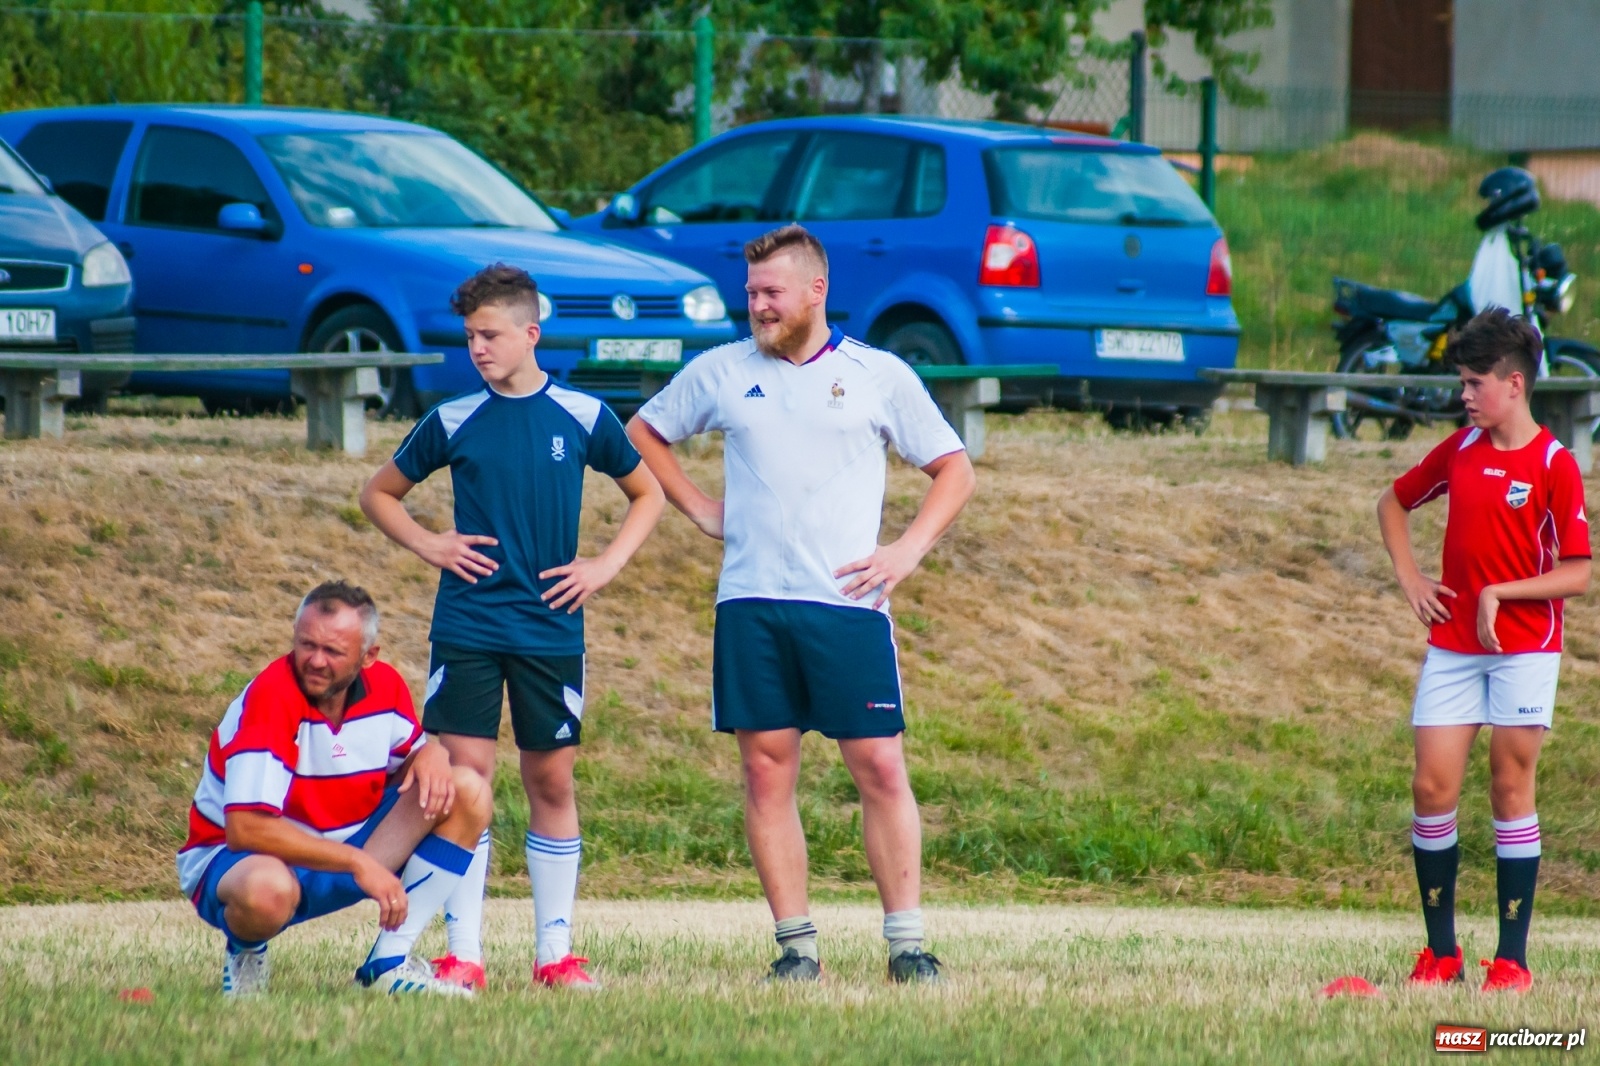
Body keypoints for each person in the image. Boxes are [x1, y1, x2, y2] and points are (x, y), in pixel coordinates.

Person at [626, 224, 975, 983]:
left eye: (770, 292)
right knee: (765, 770)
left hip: (846, 605)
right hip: (749, 603)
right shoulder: (722, 370)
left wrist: (904, 552)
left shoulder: (877, 374)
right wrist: (697, 507)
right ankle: (796, 949)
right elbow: (643, 432)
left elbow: (953, 469)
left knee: (880, 766)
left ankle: (907, 945)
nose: (756, 305)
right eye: (750, 293)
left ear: (817, 290)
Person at [361, 263, 664, 990]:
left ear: (532, 334)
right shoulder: (453, 419)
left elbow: (646, 493)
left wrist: (603, 567)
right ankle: (462, 953)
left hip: (552, 630)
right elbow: (379, 494)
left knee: (550, 779)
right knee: (468, 784)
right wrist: (430, 543)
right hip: (466, 626)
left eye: (490, 335)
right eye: (470, 336)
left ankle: (554, 954)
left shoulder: (586, 417)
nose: (478, 348)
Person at [1377, 307, 1590, 994]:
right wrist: (1411, 579)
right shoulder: (1460, 451)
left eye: (1474, 383)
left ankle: (1512, 962)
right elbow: (1393, 502)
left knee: (1508, 787)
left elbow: (1578, 572)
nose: (1464, 396)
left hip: (1527, 651)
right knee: (1431, 787)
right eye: (1462, 383)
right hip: (1453, 648)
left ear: (1515, 384)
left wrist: (1503, 592)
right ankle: (1442, 955)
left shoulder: (1555, 465)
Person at [176, 580, 492, 998]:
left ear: (368, 657)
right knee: (267, 892)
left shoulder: (387, 687)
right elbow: (246, 830)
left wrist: (429, 753)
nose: (316, 661)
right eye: (307, 645)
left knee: (467, 789)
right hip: (245, 860)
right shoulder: (272, 698)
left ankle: (388, 964)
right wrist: (358, 864)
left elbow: (409, 764)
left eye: (333, 652)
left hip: (344, 849)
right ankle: (246, 949)